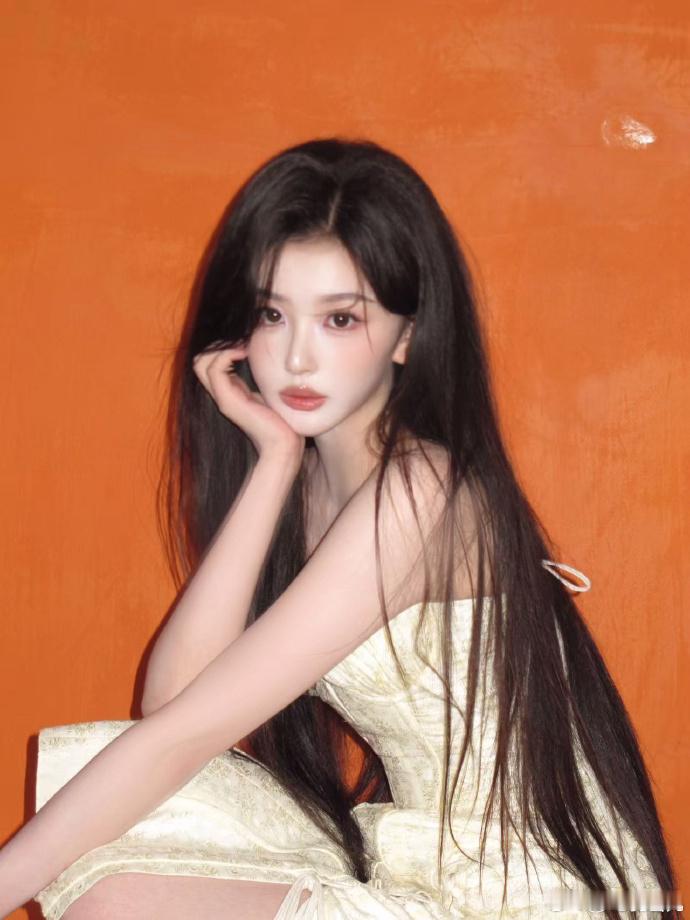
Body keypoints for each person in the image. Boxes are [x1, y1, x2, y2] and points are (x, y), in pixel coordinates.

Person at [0, 138, 680, 920]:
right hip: (424, 866)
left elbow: (178, 737)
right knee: (131, 845)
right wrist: (275, 463)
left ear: (407, 334)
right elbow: (175, 704)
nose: (296, 358)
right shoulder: (319, 482)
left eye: (340, 319)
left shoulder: (420, 493)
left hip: (523, 895)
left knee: (120, 889)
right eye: (271, 314)